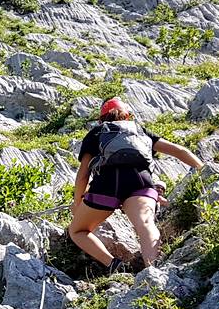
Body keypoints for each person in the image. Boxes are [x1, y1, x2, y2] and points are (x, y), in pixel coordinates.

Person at [67, 97, 204, 272]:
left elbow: (82, 177)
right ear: (128, 116)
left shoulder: (97, 132)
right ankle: (154, 271)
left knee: (77, 231)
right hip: (141, 181)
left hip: (106, 185)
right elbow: (180, 150)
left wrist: (78, 203)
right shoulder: (140, 130)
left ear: (101, 119)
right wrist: (204, 169)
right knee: (146, 225)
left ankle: (114, 265)